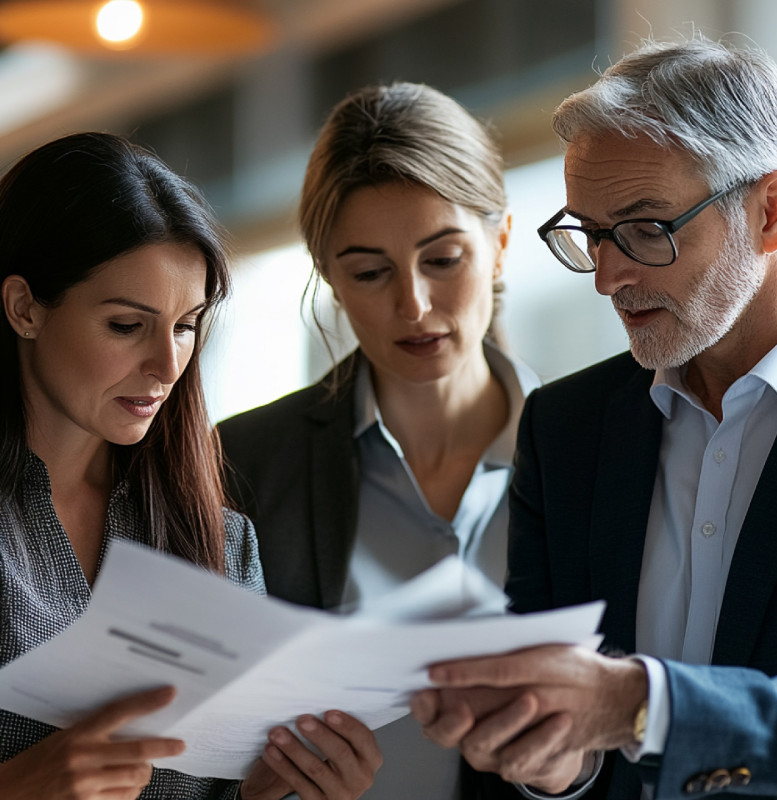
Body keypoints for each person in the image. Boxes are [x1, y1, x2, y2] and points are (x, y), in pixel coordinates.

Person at [410, 36, 777, 800]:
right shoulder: (565, 428)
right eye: (589, 234)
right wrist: (550, 761)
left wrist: (638, 704)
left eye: (647, 228)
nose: (609, 277)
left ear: (771, 212)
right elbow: (564, 744)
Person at [0, 131, 381, 800]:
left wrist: (279, 789)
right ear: (24, 307)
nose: (167, 365)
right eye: (126, 325)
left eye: (186, 325)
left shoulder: (224, 544)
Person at [218, 82, 540, 799]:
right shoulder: (242, 463)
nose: (414, 305)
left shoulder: (594, 451)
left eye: (444, 259)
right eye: (369, 272)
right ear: (329, 278)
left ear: (501, 243)